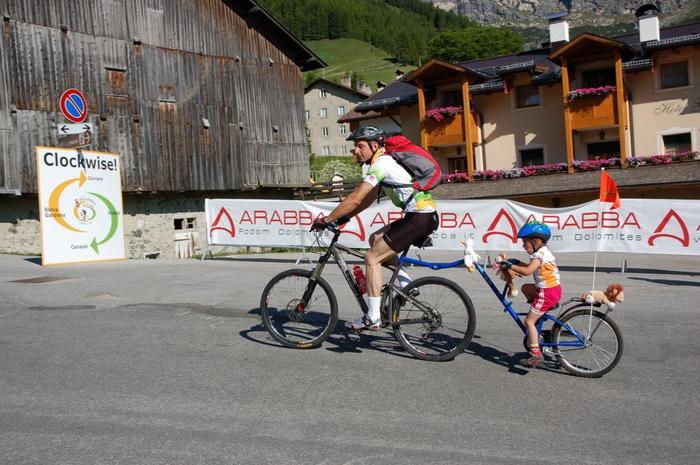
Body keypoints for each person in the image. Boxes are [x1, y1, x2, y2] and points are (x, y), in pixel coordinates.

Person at [311, 126, 439, 330]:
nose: (356, 151)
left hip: (419, 217)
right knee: (375, 238)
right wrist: (344, 218)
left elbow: (354, 198)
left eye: (360, 146)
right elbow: (366, 200)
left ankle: (373, 317)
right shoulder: (382, 163)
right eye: (355, 147)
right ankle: (407, 285)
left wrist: (327, 219)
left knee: (371, 258)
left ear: (374, 145)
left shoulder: (382, 163)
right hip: (421, 216)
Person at [499, 221, 562, 367]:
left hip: (547, 293)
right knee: (526, 288)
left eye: (524, 242)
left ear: (535, 241)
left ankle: (536, 354)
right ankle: (538, 317)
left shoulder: (538, 255)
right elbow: (529, 267)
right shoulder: (543, 252)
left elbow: (527, 272)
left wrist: (509, 265)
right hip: (552, 290)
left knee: (528, 321)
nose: (523, 245)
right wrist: (516, 263)